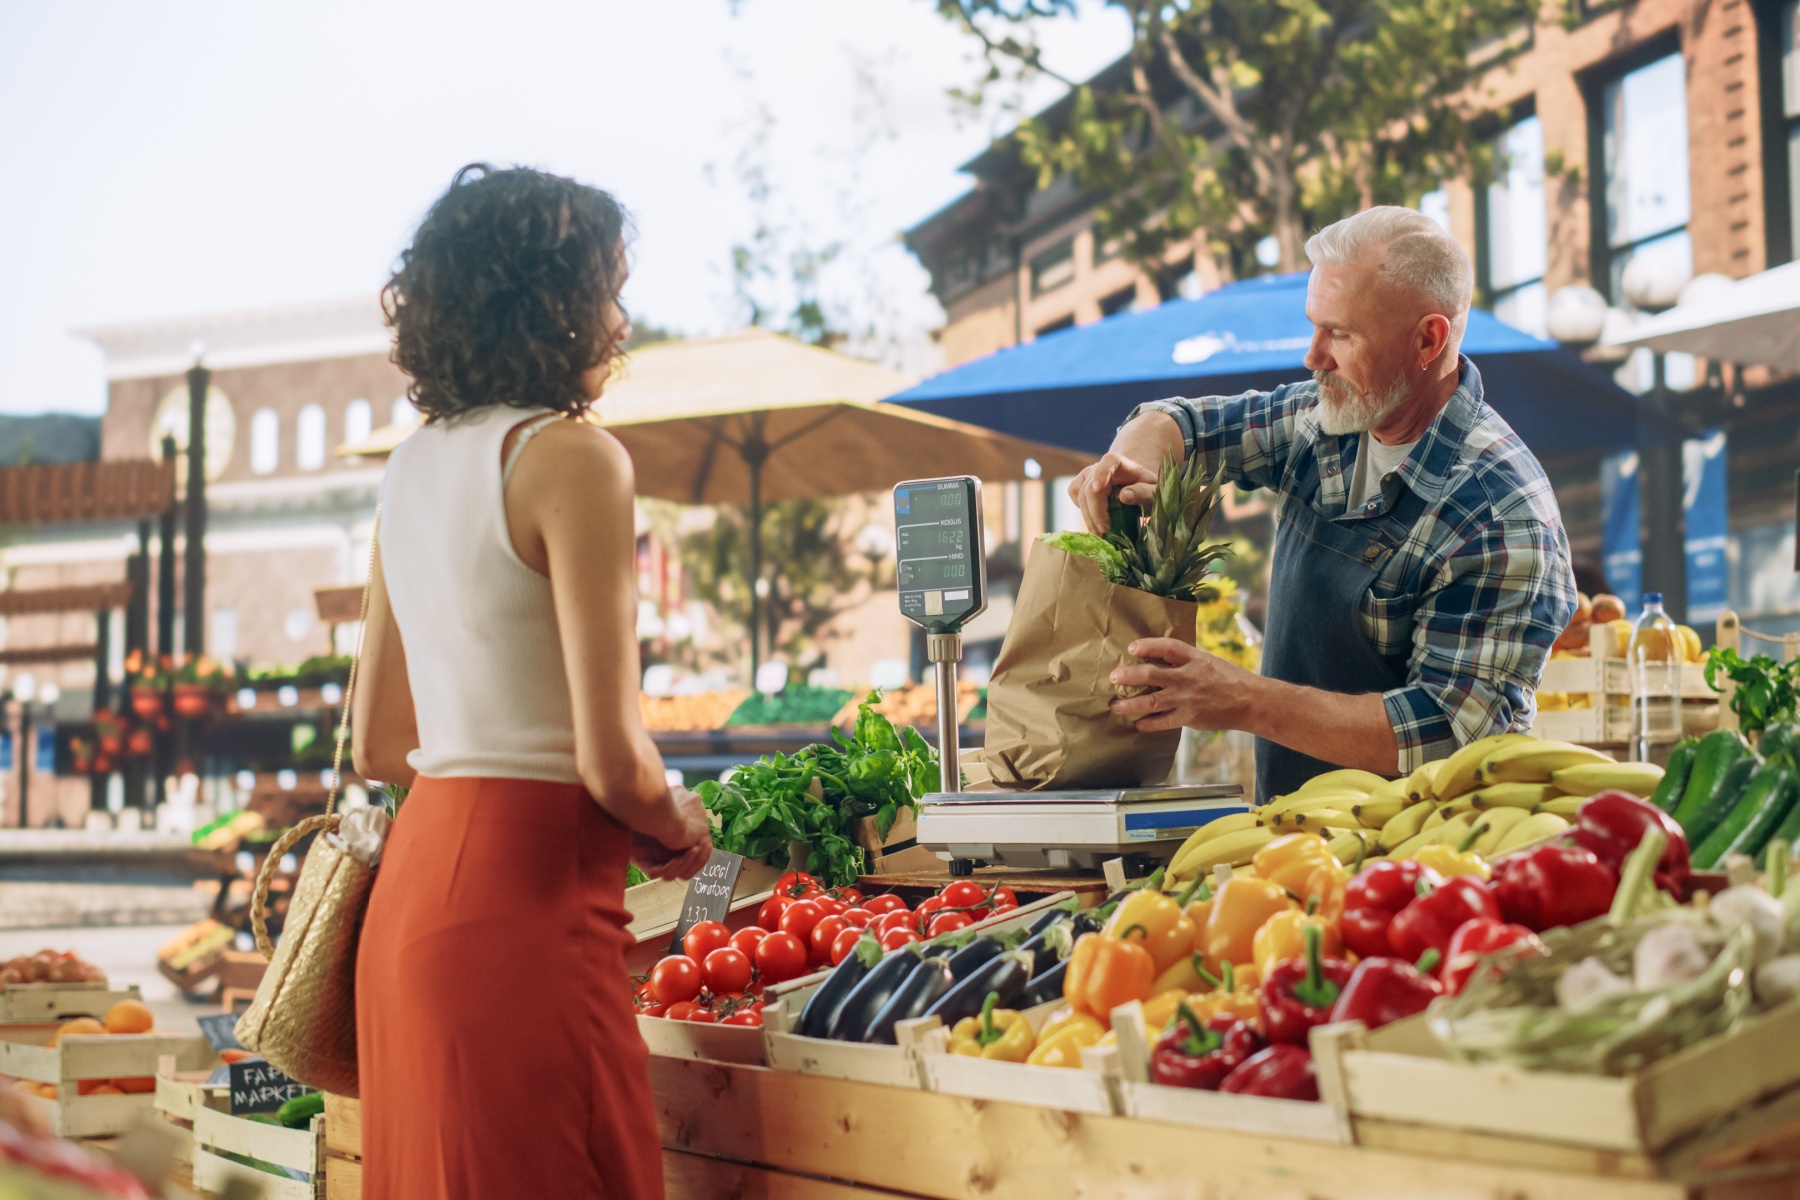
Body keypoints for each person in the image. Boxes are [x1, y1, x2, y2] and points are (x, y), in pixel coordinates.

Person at [351, 163, 712, 1200]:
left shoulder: (410, 467)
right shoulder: (573, 459)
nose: (619, 321)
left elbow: (379, 742)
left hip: (412, 905)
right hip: (526, 917)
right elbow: (614, 760)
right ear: (551, 301)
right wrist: (675, 822)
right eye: (609, 290)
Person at [1070, 206, 1577, 800]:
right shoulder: (1327, 418)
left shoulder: (1500, 514)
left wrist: (1243, 699)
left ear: (1428, 339)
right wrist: (1129, 469)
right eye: (1314, 325)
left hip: (1425, 841)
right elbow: (1178, 423)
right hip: (1292, 825)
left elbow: (1449, 732)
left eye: (1340, 333)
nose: (1313, 356)